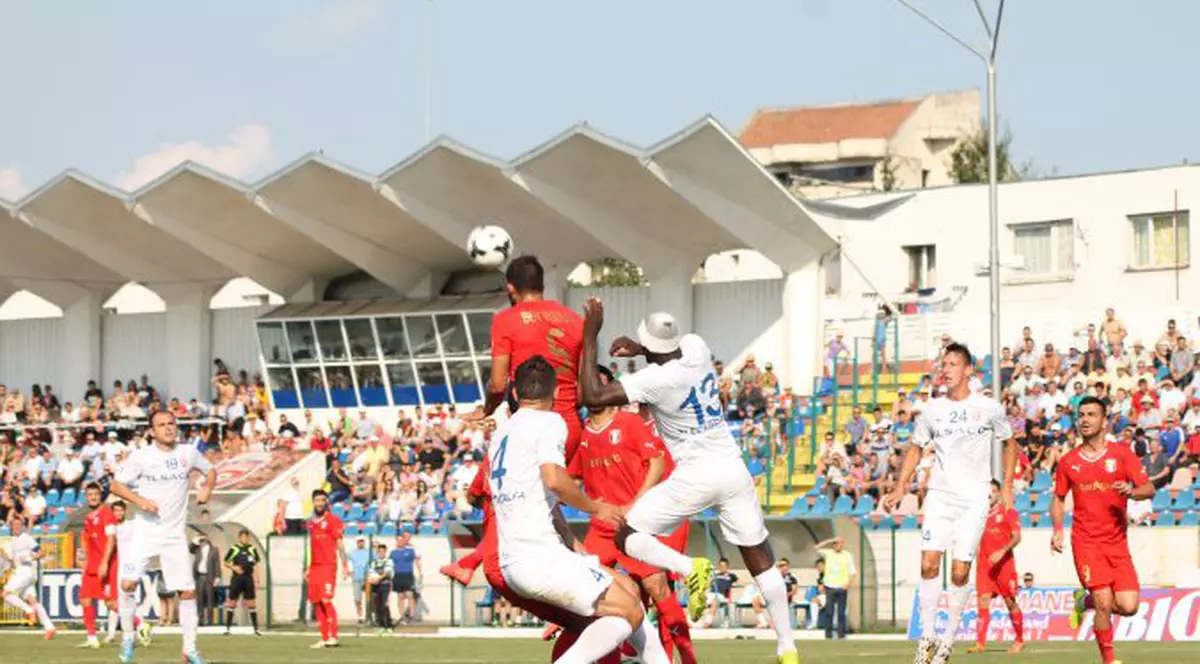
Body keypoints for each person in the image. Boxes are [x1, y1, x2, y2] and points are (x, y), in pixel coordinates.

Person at [577, 303, 798, 664]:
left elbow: (593, 397)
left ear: (650, 345)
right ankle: (787, 647)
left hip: (695, 474)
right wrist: (641, 347)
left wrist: (591, 334)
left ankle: (689, 567)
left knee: (627, 535)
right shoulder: (696, 346)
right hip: (733, 468)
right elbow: (667, 350)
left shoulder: (655, 380)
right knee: (760, 558)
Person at [491, 355, 668, 664]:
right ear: (557, 393)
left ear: (516, 394)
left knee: (628, 590)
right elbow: (555, 480)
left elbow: (541, 496)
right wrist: (596, 508)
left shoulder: (502, 433)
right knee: (628, 612)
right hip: (538, 559)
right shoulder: (549, 421)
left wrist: (573, 543)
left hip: (518, 558)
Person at [881, 342, 1017, 664]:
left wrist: (1008, 486)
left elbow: (1010, 443)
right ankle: (927, 638)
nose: (946, 370)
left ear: (968, 370)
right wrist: (901, 486)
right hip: (940, 496)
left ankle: (948, 639)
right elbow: (916, 448)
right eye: (944, 364)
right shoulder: (932, 409)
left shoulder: (988, 407)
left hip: (973, 499)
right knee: (929, 564)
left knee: (959, 572)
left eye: (953, 364)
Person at [562, 365, 695, 664]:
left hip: (632, 526)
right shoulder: (582, 433)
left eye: (599, 383)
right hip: (600, 530)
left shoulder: (629, 422)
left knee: (657, 587)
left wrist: (635, 504)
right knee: (584, 594)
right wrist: (588, 503)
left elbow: (657, 462)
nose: (592, 390)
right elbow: (572, 479)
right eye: (587, 384)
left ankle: (688, 658)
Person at [1051, 396, 1154, 664]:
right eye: (1082, 415)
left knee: (1129, 606)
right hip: (1086, 543)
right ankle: (1109, 660)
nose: (1085, 420)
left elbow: (1149, 488)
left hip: (1117, 544)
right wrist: (1057, 529)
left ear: (1104, 421)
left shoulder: (1122, 454)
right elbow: (1059, 498)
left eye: (1092, 414)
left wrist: (1131, 491)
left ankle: (1084, 602)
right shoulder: (1069, 461)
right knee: (1104, 601)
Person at [110, 409, 215, 664]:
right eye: (161, 425)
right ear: (152, 431)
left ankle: (189, 650)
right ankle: (128, 636)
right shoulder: (141, 457)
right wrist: (141, 501)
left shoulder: (187, 453)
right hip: (145, 531)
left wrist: (207, 489)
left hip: (174, 534)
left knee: (187, 593)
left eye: (171, 423)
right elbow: (115, 485)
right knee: (127, 585)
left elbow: (211, 470)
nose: (168, 428)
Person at [967, 481, 1025, 654]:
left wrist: (1002, 551)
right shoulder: (979, 514)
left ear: (999, 493)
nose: (990, 494)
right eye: (988, 491)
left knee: (1010, 602)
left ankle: (1019, 640)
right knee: (982, 601)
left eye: (993, 491)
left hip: (1004, 565)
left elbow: (1017, 537)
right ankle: (980, 643)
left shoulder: (1008, 512)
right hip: (984, 566)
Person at [306, 488, 351, 648]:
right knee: (317, 602)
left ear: (326, 502)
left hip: (328, 565)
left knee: (326, 600)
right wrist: (308, 567)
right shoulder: (311, 523)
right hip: (315, 567)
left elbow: (339, 544)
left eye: (322, 500)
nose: (319, 503)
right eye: (317, 500)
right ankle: (324, 638)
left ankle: (334, 636)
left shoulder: (333, 520)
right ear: (313, 502)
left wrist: (345, 564)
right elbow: (312, 546)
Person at [78, 482, 119, 648]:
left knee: (111, 604)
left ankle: (140, 624)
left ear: (100, 495)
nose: (93, 497)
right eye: (90, 495)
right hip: (92, 566)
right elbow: (85, 538)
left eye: (95, 494)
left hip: (107, 564)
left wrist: (104, 562)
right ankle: (92, 637)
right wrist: (82, 557)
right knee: (84, 598)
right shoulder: (88, 517)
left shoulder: (107, 514)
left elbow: (111, 539)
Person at [0, 515, 56, 638]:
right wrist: (4, 555)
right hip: (25, 572)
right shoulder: (12, 541)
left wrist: (31, 558)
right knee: (33, 600)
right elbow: (11, 560)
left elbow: (41, 552)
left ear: (22, 526)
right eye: (14, 524)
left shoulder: (26, 538)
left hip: (25, 570)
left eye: (19, 524)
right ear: (11, 526)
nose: (16, 527)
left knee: (5, 594)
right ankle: (49, 627)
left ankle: (29, 610)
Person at [107, 501, 151, 646]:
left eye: (120, 510)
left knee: (123, 601)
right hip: (116, 566)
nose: (118, 513)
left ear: (125, 511)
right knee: (115, 602)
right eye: (115, 510)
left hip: (130, 567)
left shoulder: (132, 525)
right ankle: (118, 633)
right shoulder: (111, 527)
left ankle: (135, 628)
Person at [222, 529, 262, 636]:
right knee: (232, 602)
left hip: (248, 578)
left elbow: (255, 565)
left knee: (251, 603)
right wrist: (234, 568)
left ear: (248, 538)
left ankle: (256, 629)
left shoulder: (252, 549)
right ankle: (228, 629)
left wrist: (257, 580)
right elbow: (225, 561)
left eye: (246, 537)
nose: (245, 539)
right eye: (243, 537)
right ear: (239, 538)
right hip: (237, 578)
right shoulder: (234, 548)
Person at [813, 538, 855, 639]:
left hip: (841, 587)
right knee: (829, 612)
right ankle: (828, 635)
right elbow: (816, 548)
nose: (838, 545)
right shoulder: (828, 553)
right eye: (836, 543)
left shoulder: (847, 555)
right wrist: (829, 540)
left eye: (840, 543)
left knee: (841, 613)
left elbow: (852, 572)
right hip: (830, 587)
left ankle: (841, 635)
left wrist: (848, 584)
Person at [389, 530, 421, 624]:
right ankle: (402, 616)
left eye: (401, 540)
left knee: (410, 595)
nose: (400, 542)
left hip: (408, 575)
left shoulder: (410, 550)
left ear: (404, 541)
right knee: (400, 596)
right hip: (397, 575)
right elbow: (390, 564)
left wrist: (420, 572)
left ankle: (412, 615)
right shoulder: (393, 552)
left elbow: (416, 561)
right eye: (398, 540)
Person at [367, 543, 395, 633]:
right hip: (376, 586)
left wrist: (378, 579)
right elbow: (370, 572)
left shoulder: (389, 561)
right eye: (379, 551)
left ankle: (389, 625)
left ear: (385, 551)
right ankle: (381, 625)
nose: (381, 553)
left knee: (384, 605)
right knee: (377, 605)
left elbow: (386, 572)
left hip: (385, 585)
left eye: (383, 551)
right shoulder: (374, 562)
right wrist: (371, 580)